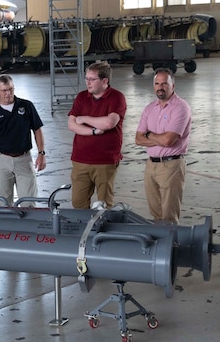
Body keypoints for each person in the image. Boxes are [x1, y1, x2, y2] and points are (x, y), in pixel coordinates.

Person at [134, 70, 191, 223]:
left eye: (164, 83)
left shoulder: (181, 108)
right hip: (151, 164)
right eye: (157, 83)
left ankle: (171, 246)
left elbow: (168, 141)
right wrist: (157, 137)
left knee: (169, 217)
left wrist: (149, 135)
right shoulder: (150, 108)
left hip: (171, 165)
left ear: (173, 85)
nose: (160, 87)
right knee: (156, 215)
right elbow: (138, 139)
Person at [67, 61, 126, 208]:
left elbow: (109, 123)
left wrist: (84, 118)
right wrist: (93, 131)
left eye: (92, 79)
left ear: (105, 81)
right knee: (78, 203)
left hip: (104, 162)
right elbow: (71, 125)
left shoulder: (117, 97)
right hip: (80, 160)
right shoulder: (81, 97)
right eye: (86, 78)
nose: (87, 83)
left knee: (104, 206)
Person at [0, 75, 46, 205]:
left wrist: (41, 153)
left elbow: (37, 130)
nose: (8, 93)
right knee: (4, 202)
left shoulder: (26, 106)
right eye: (4, 90)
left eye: (11, 89)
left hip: (24, 159)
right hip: (1, 161)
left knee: (28, 202)